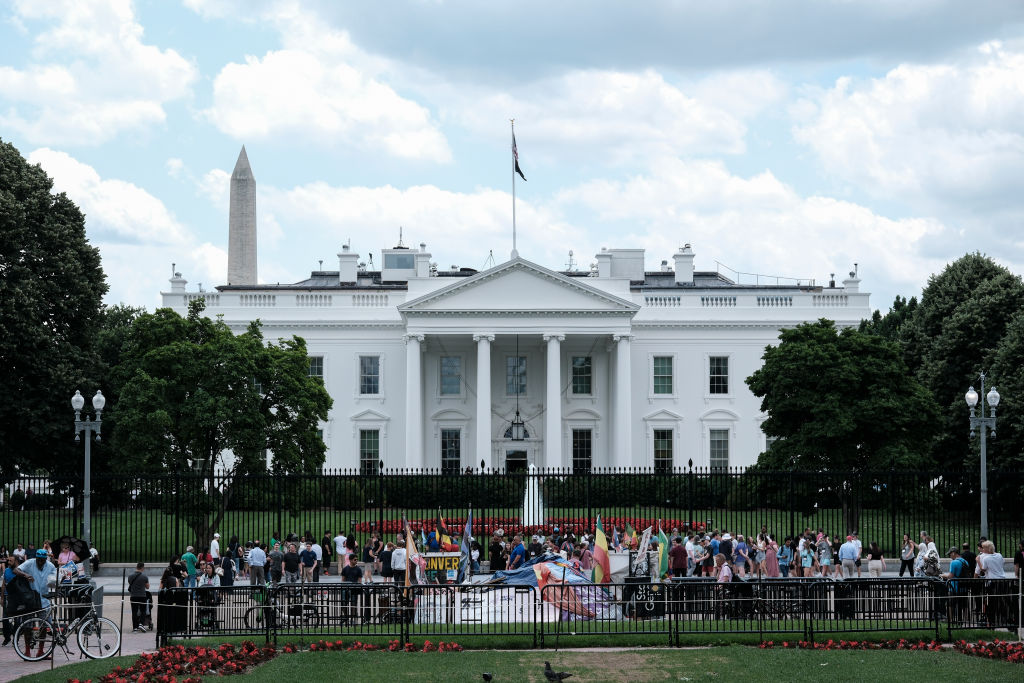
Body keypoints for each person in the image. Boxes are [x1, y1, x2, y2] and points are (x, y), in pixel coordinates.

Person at [14, 550, 57, 659]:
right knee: (28, 626)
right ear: (36, 558)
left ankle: (41, 651)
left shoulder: (51, 566)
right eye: (39, 560)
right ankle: (27, 651)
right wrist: (25, 574)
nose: (41, 562)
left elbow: (56, 578)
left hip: (44, 599)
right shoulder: (30, 563)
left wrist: (60, 579)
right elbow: (16, 570)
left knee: (44, 626)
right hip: (30, 600)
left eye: (43, 560)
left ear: (46, 559)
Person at [127, 562, 151, 632]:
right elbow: (147, 587)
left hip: (133, 596)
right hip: (142, 596)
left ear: (136, 567)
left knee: (134, 612)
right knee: (143, 611)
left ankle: (135, 627)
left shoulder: (130, 576)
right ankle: (141, 623)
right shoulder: (144, 576)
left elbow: (130, 584)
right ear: (142, 568)